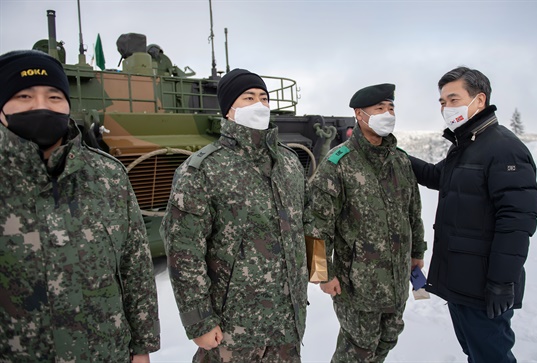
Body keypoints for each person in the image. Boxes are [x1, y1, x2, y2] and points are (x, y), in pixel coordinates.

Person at [0, 50, 160, 362]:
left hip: (106, 351)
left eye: (54, 96)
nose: (41, 106)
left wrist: (142, 346)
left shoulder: (108, 175)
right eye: (23, 96)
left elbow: (135, 267)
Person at [160, 68, 310, 363]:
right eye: (248, 97)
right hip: (233, 328)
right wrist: (199, 321)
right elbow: (184, 251)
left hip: (286, 324)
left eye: (264, 98)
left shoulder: (289, 163)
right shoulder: (202, 169)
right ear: (228, 110)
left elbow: (306, 224)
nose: (259, 104)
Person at [408, 66, 537, 362]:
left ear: (479, 100)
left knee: (491, 356)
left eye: (453, 99)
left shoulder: (503, 149)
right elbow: (437, 176)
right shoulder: (468, 145)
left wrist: (501, 282)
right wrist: (399, 157)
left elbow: (517, 222)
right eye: (442, 102)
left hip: (484, 285)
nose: (446, 108)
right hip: (462, 280)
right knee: (475, 352)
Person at [308, 83, 426, 362]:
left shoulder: (400, 161)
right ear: (359, 115)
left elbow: (413, 211)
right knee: (357, 351)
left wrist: (417, 253)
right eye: (379, 108)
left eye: (391, 107)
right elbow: (315, 224)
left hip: (396, 280)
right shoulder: (338, 163)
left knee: (388, 339)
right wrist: (321, 273)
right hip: (357, 285)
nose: (387, 113)